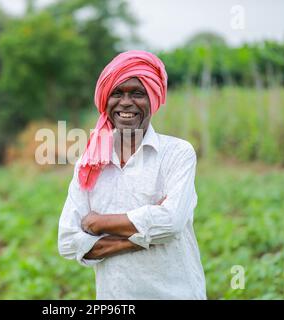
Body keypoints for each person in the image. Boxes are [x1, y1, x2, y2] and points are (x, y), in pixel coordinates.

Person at [58, 50, 206, 299]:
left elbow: (171, 222)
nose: (126, 102)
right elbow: (68, 241)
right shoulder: (89, 163)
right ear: (105, 101)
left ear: (153, 100)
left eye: (137, 93)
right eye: (117, 93)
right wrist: (147, 233)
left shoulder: (177, 153)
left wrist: (98, 223)